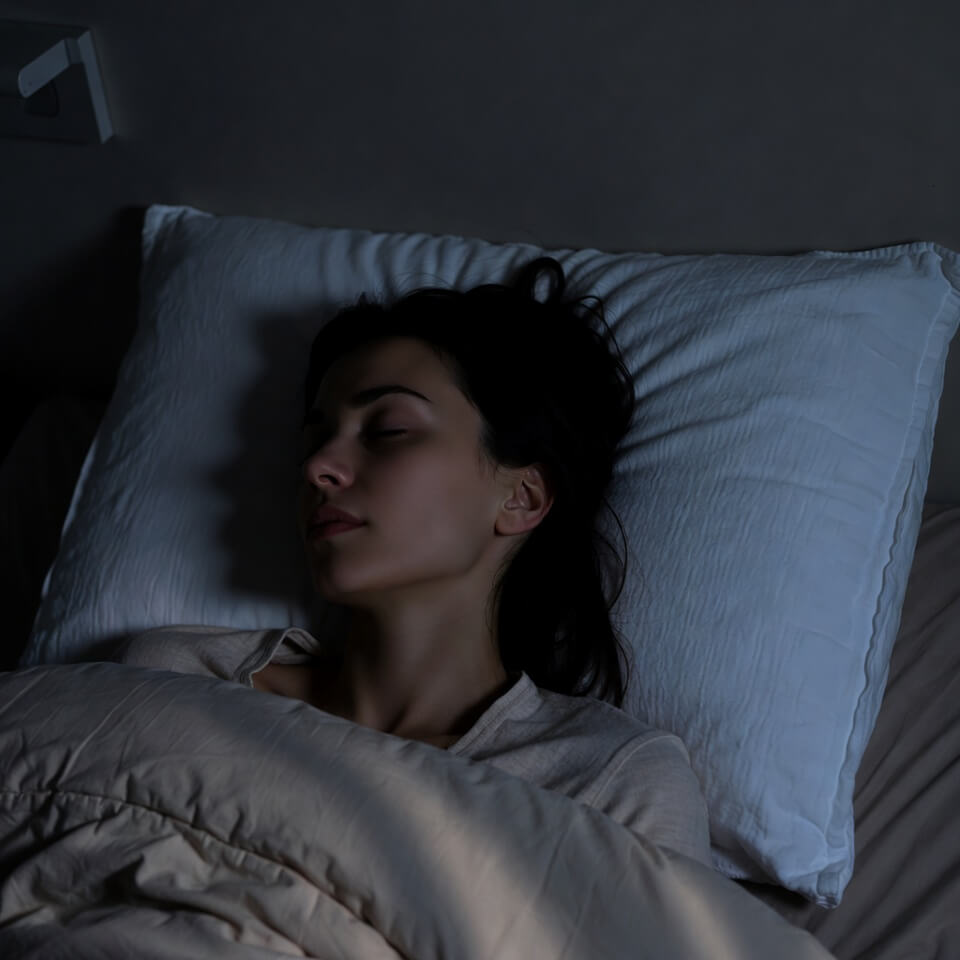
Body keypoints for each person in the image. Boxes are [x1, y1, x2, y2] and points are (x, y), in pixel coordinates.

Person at [111, 256, 713, 867]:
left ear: (522, 497)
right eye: (313, 438)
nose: (318, 467)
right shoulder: (179, 678)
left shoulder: (607, 783)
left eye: (388, 429)